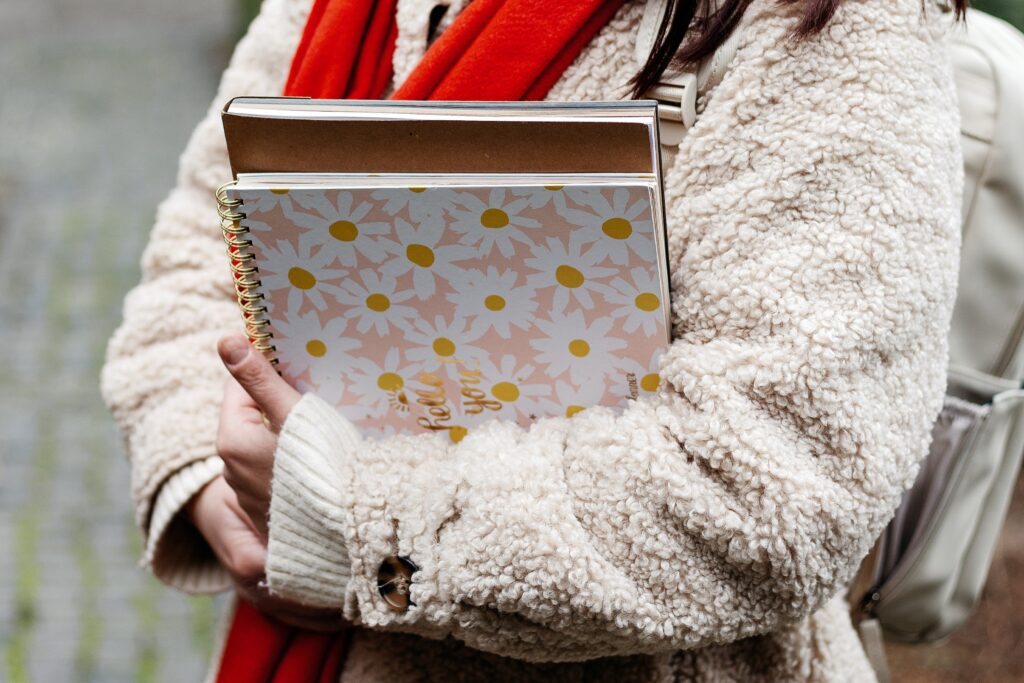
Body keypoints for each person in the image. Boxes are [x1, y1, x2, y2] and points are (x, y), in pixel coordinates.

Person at [101, 0, 965, 679]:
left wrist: (352, 520)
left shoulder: (841, 22)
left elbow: (773, 481)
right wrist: (217, 492)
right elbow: (203, 245)